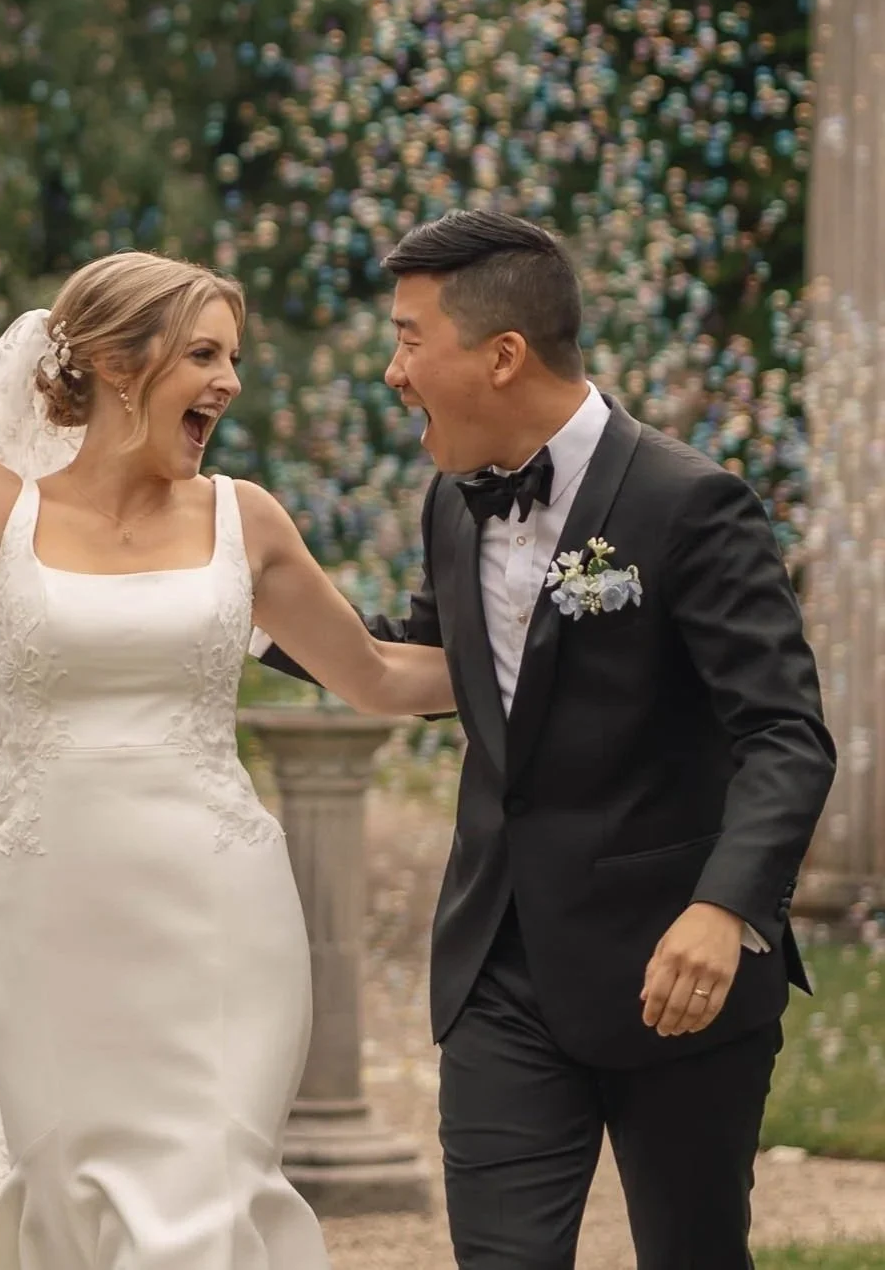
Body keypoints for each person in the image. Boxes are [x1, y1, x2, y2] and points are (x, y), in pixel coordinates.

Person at [0, 250, 454, 1270]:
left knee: (207, 1198)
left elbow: (377, 675)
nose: (229, 381)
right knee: (74, 1199)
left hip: (221, 920)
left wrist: (567, 650)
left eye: (234, 356)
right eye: (205, 353)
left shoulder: (244, 518)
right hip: (51, 926)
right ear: (120, 362)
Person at [255, 210, 836, 1270]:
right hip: (498, 968)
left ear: (500, 353)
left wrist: (721, 907)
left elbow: (784, 734)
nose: (393, 371)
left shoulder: (689, 503)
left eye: (407, 338)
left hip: (675, 970)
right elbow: (420, 661)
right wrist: (233, 606)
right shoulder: (449, 502)